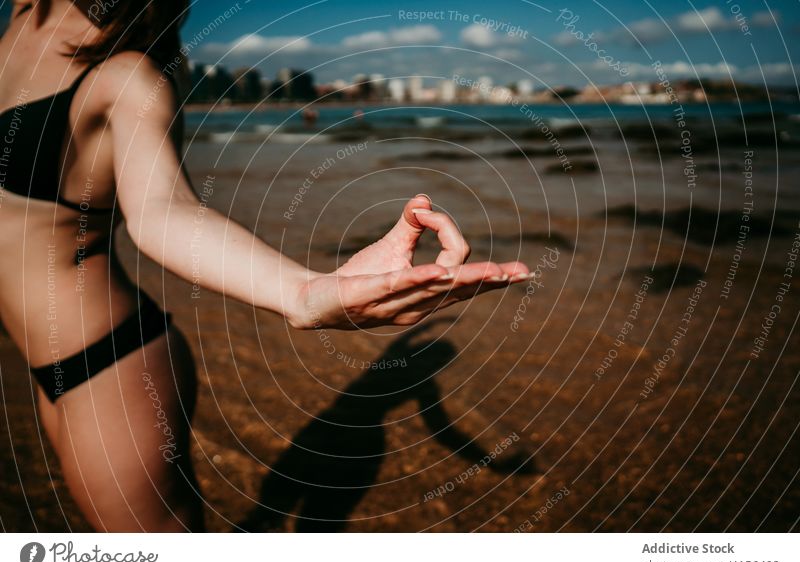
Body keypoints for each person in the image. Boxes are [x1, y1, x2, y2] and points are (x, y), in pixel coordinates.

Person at [0, 0, 532, 532]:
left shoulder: (125, 74)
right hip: (40, 356)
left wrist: (303, 292)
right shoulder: (16, 26)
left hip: (107, 364)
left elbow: (164, 210)